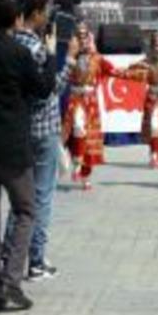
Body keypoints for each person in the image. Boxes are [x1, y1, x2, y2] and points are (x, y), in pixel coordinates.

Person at [0, 0, 69, 311]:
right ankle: (10, 283)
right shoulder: (19, 53)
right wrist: (53, 55)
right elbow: (42, 90)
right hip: (13, 145)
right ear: (17, 18)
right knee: (26, 209)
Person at [61, 23, 119, 190]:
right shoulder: (70, 57)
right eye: (79, 35)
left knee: (89, 139)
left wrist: (136, 72)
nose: (82, 38)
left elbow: (113, 70)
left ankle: (85, 176)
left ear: (90, 37)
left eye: (85, 35)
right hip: (76, 99)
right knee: (78, 129)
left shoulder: (97, 58)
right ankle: (77, 162)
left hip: (90, 102)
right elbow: (61, 75)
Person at [119, 31, 158, 169]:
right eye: (155, 45)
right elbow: (131, 68)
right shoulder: (146, 61)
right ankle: (154, 154)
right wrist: (143, 66)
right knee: (153, 126)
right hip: (152, 96)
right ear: (151, 48)